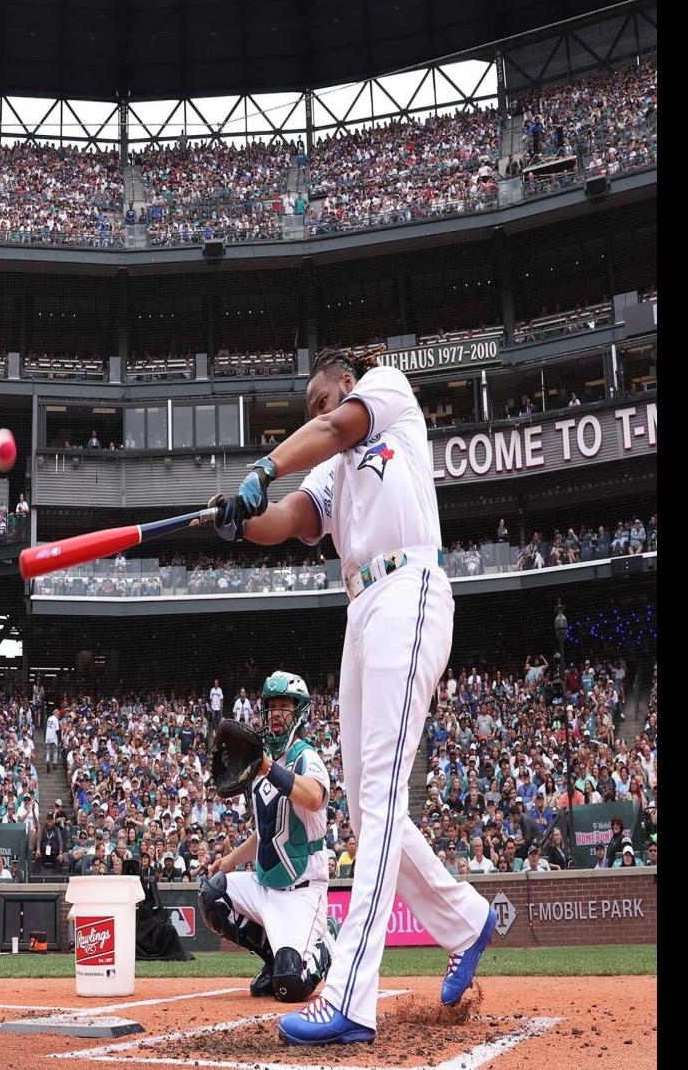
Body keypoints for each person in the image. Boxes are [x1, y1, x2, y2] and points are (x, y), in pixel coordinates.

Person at [207, 348, 494, 1046]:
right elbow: (291, 520)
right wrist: (239, 518)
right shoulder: (332, 470)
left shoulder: (385, 393)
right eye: (309, 408)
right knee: (369, 820)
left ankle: (348, 998)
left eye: (320, 398)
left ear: (346, 382)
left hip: (408, 588)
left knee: (380, 799)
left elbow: (334, 431)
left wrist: (263, 466)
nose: (317, 412)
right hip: (362, 607)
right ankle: (464, 919)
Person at [199, 672, 339, 1003]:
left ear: (299, 712)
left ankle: (327, 941)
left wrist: (267, 769)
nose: (276, 713)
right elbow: (267, 833)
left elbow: (314, 797)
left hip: (302, 889)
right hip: (266, 885)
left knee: (290, 987)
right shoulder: (262, 765)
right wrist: (231, 859)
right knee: (213, 895)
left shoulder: (307, 757)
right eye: (271, 706)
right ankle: (274, 960)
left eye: (284, 706)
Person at [45, 707, 61, 773]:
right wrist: (59, 739)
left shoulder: (49, 718)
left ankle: (48, 760)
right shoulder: (55, 719)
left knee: (48, 751)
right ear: (55, 713)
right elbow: (57, 730)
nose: (58, 715)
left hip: (47, 737)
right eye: (58, 714)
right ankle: (54, 763)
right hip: (53, 737)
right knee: (55, 751)